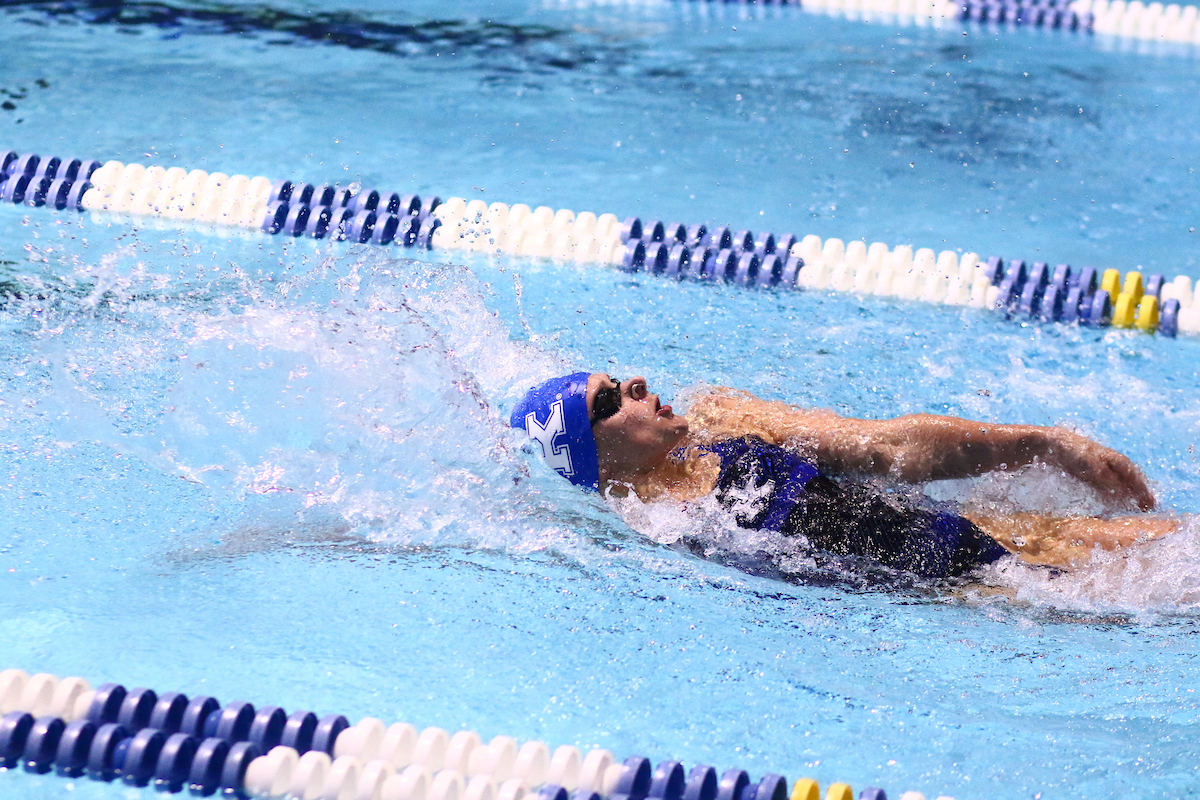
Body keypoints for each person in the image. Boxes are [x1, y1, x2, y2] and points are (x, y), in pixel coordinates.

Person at [510, 372, 1177, 579]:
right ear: (594, 457)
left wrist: (1041, 443)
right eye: (608, 401)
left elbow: (886, 448)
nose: (636, 383)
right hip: (995, 592)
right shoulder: (649, 530)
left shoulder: (722, 418)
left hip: (998, 534)